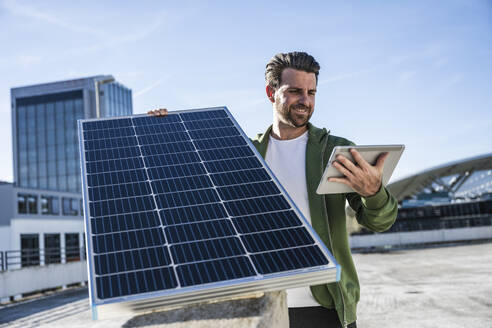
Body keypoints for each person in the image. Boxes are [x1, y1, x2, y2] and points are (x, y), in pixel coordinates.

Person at [148, 51, 398, 328]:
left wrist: (374, 193)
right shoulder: (244, 153)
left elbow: (380, 222)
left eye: (311, 92)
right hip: (262, 304)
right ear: (271, 92)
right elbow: (187, 194)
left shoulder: (334, 151)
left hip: (326, 307)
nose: (305, 101)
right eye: (295, 91)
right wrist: (162, 130)